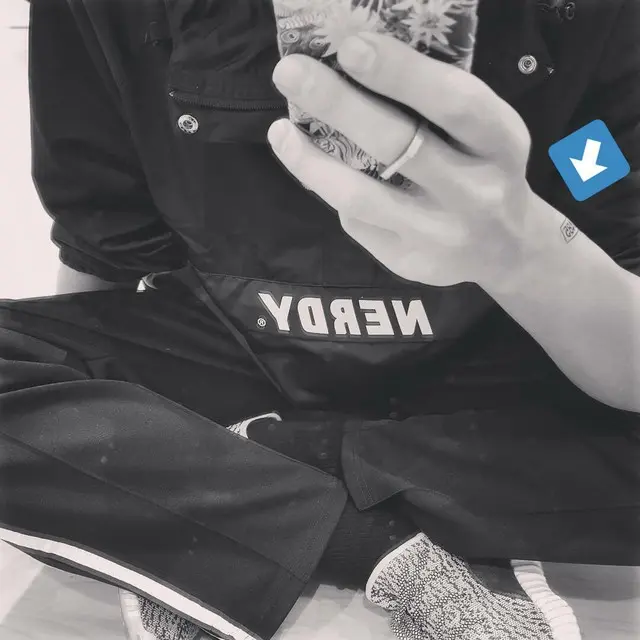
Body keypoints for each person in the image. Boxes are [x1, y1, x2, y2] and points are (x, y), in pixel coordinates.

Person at [1, 0, 638, 639]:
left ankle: (250, 470)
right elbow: (107, 247)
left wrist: (525, 250)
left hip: (498, 373)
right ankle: (367, 540)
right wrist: (78, 416)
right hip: (236, 355)